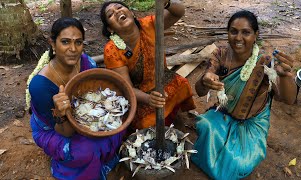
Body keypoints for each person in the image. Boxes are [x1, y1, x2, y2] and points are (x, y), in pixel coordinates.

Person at [191, 10, 297, 180]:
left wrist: (285, 76)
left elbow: (288, 99)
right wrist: (205, 80)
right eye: (233, 31)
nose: (238, 38)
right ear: (228, 33)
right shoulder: (220, 55)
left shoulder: (265, 63)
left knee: (239, 163)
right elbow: (199, 91)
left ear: (256, 35)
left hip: (252, 123)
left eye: (246, 32)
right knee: (204, 125)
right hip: (225, 114)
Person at [26, 17, 125, 179]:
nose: (73, 49)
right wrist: (61, 114)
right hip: (54, 128)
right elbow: (65, 132)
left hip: (80, 115)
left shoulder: (86, 63)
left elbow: (94, 95)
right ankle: (65, 167)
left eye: (78, 42)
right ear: (53, 44)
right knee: (87, 150)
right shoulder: (41, 86)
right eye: (65, 42)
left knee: (116, 125)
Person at [100, 0, 195, 130]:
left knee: (182, 84)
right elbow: (127, 87)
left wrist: (166, 3)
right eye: (111, 14)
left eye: (119, 7)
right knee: (145, 123)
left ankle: (176, 116)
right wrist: (148, 98)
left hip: (163, 79)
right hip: (139, 94)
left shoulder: (149, 24)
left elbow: (179, 12)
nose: (117, 12)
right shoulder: (112, 50)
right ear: (110, 29)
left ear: (132, 13)